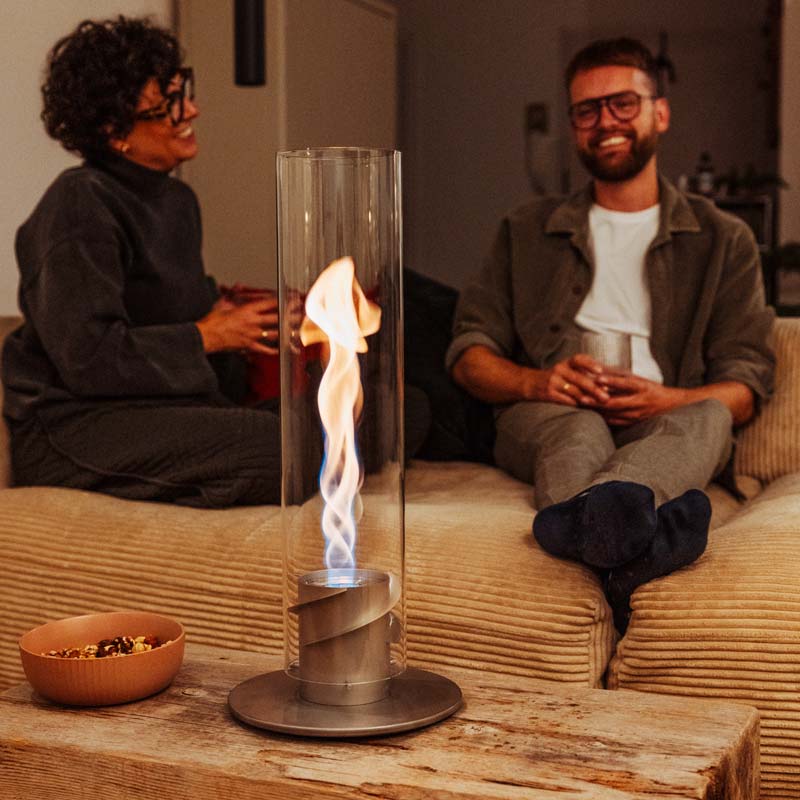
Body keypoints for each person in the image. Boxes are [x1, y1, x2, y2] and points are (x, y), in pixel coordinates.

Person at [446, 37, 775, 632]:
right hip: (552, 411)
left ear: (660, 112)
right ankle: (639, 538)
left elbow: (745, 384)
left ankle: (593, 527)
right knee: (579, 425)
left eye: (623, 103)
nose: (606, 122)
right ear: (574, 126)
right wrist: (541, 381)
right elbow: (469, 353)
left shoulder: (723, 238)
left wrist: (665, 399)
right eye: (587, 110)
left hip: (663, 411)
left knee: (706, 416)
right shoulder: (525, 228)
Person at [2, 16, 283, 508]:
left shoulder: (177, 201)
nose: (191, 109)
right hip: (75, 425)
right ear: (115, 133)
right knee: (281, 449)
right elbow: (88, 358)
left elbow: (189, 321)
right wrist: (208, 334)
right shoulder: (79, 204)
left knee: (377, 411)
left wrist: (262, 332)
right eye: (168, 106)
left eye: (184, 92)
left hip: (162, 410)